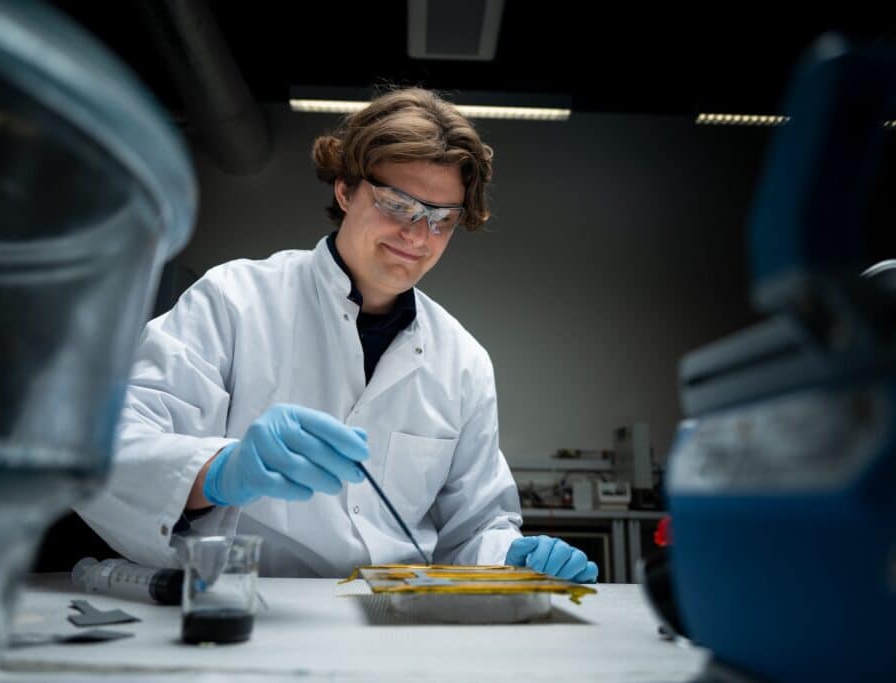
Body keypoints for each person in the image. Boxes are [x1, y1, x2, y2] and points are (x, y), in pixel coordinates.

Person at [76, 87, 598, 582]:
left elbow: (474, 528)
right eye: (398, 204)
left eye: (441, 219)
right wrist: (217, 469)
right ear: (346, 190)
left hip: (393, 621)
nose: (418, 235)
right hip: (248, 607)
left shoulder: (462, 361)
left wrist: (508, 555)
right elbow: (110, 450)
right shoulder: (233, 300)